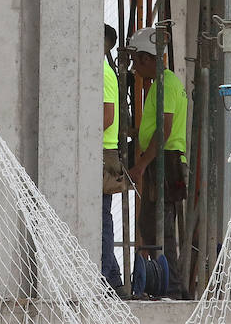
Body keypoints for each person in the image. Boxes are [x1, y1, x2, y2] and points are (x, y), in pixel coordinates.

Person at [126, 26, 187, 300]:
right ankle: (166, 283)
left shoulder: (166, 83)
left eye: (136, 60)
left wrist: (141, 164)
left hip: (165, 161)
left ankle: (170, 287)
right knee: (151, 223)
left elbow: (164, 129)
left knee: (158, 224)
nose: (134, 67)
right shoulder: (162, 84)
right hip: (162, 158)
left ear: (148, 59)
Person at [101, 24, 130, 298]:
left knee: (101, 217)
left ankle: (107, 277)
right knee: (101, 217)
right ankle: (111, 277)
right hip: (103, 152)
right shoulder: (101, 69)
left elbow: (107, 116)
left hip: (103, 153)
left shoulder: (103, 72)